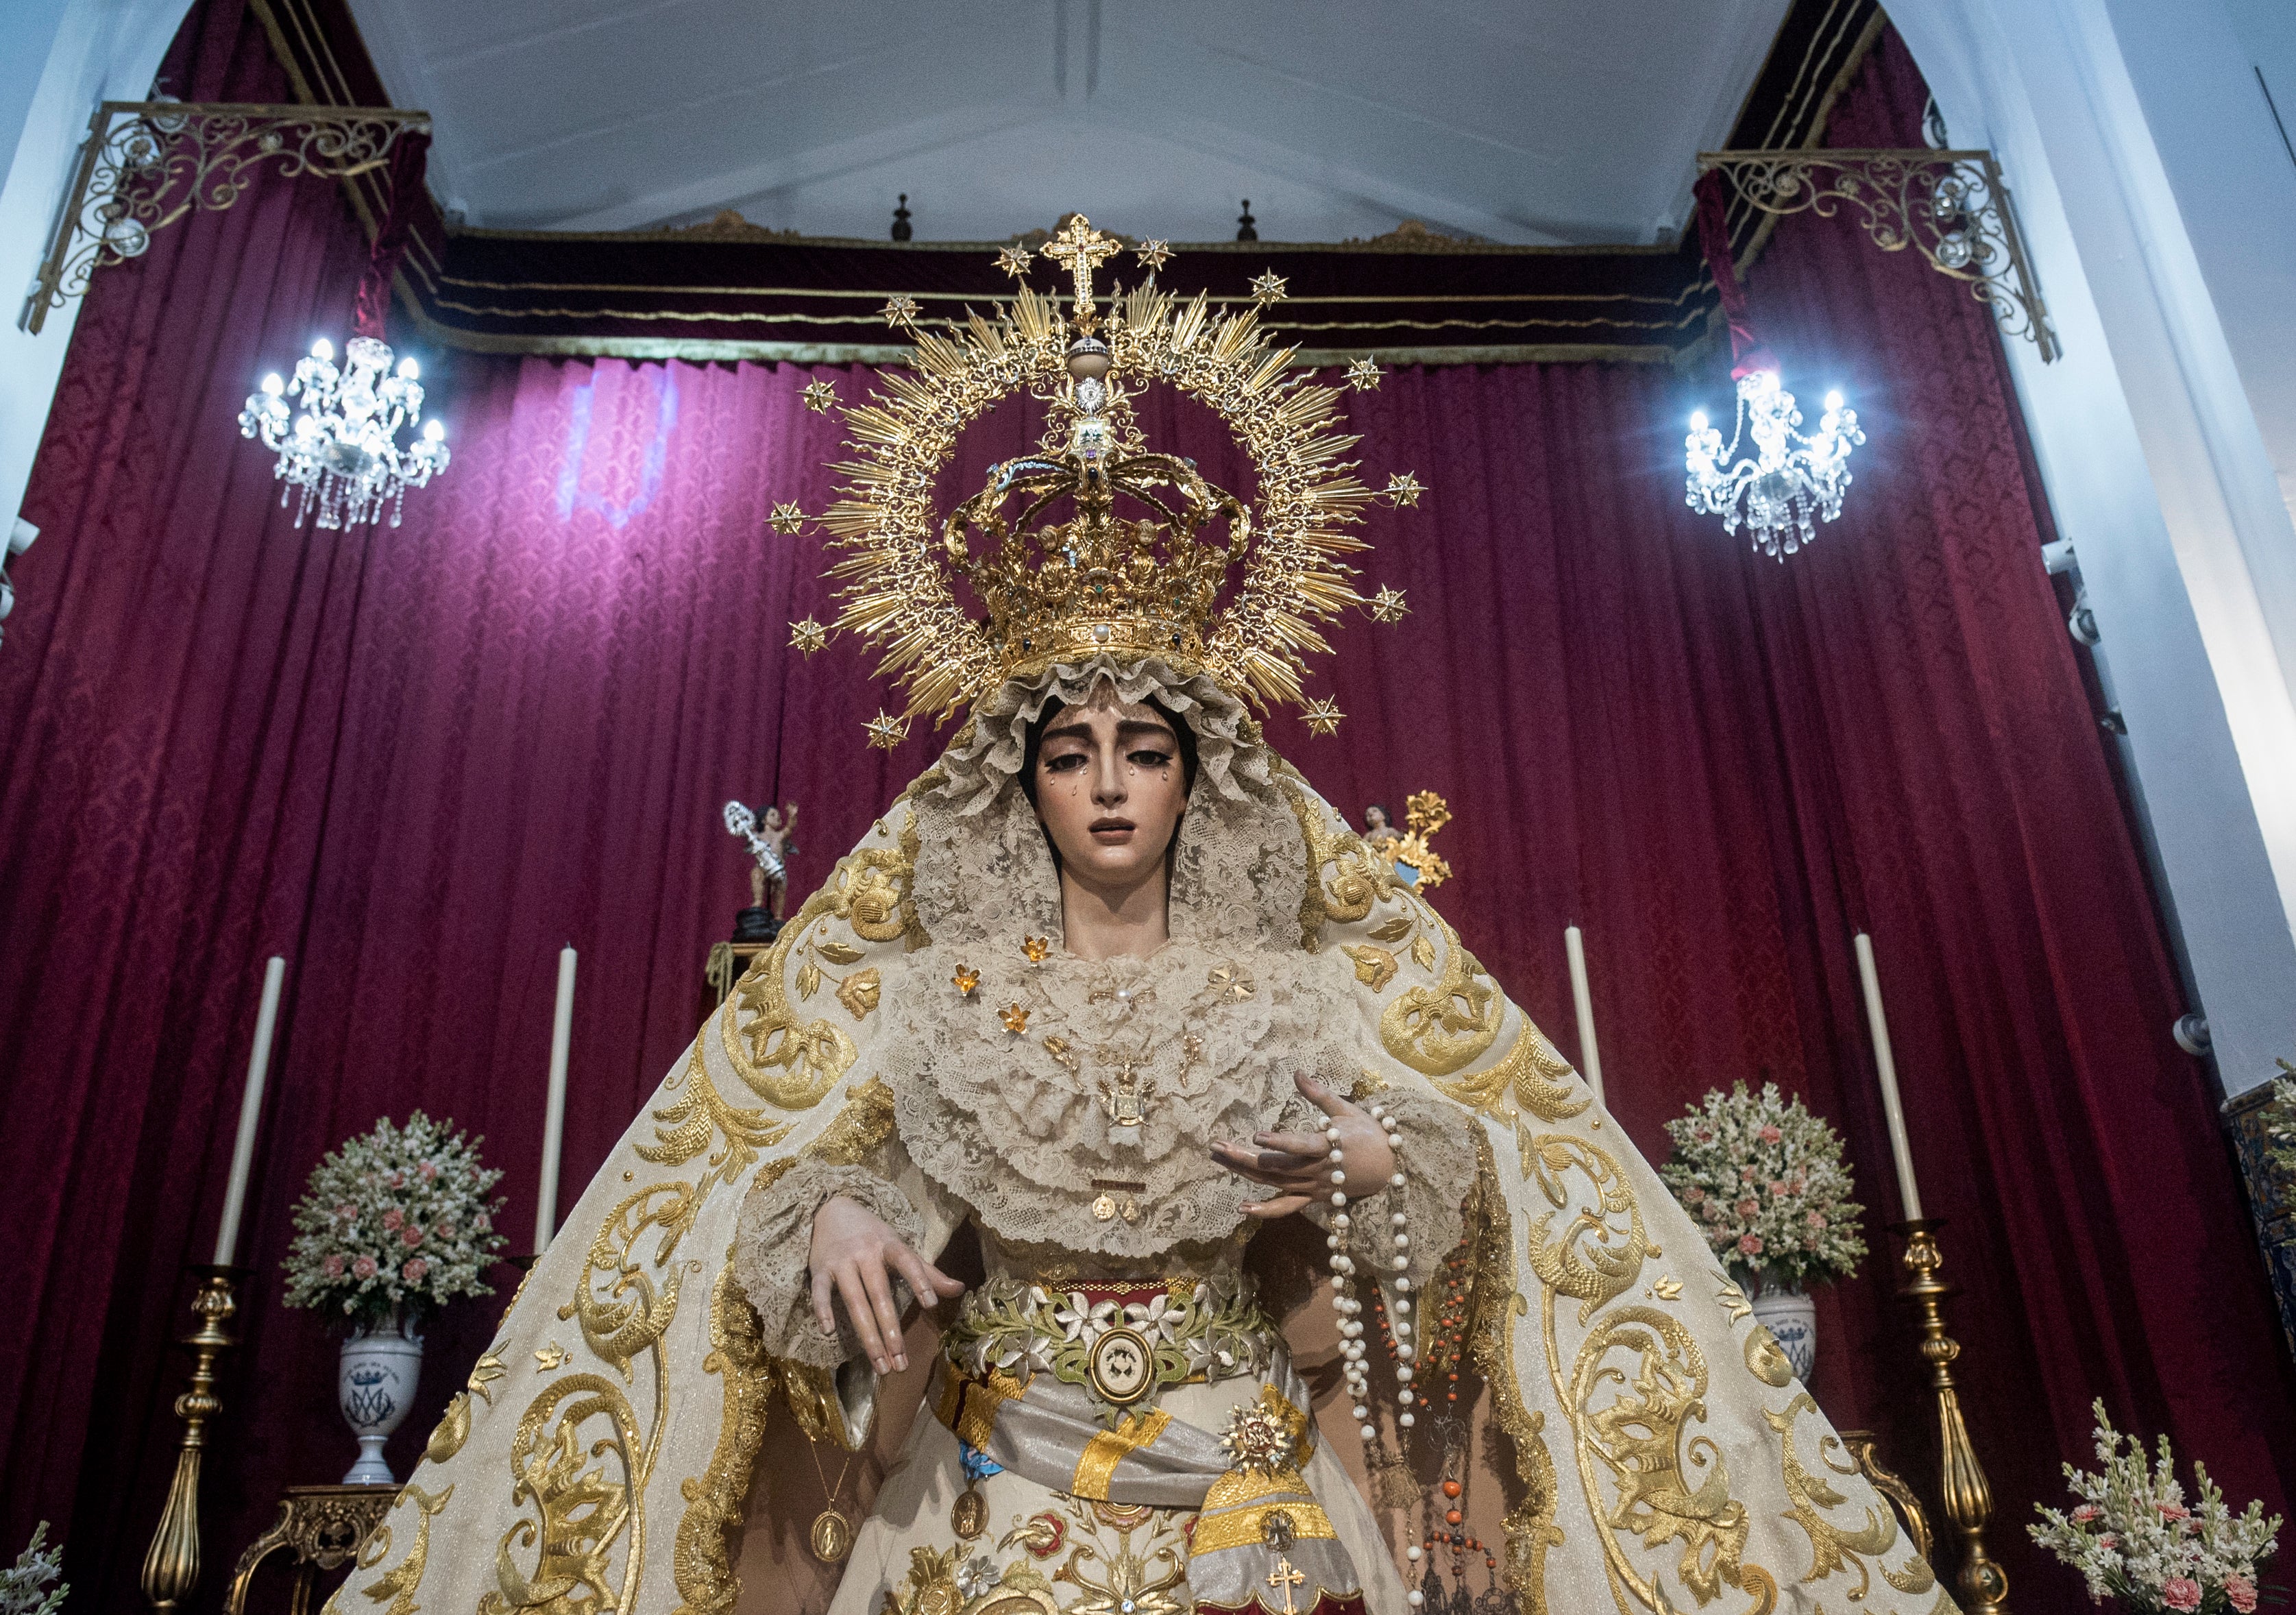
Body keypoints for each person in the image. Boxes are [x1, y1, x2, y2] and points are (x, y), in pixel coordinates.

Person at [333, 223, 1944, 1615]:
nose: (1108, 785)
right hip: (980, 1498)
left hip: (1252, 1497)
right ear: (1021, 784)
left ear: (1197, 776)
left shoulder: (1288, 982)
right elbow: (830, 1160)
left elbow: (1456, 1170)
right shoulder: (952, 988)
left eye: (1146, 748)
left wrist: (1385, 1162)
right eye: (1070, 751)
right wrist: (830, 1219)